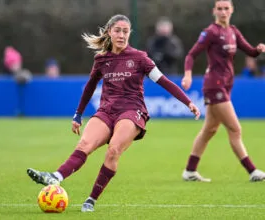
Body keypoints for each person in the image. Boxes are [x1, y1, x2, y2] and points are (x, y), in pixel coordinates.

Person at [27, 14, 200, 212]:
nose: (121, 35)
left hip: (132, 110)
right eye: (117, 31)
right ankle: (55, 177)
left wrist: (188, 102)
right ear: (109, 32)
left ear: (129, 34)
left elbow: (164, 81)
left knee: (114, 149)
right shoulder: (101, 59)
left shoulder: (140, 58)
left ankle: (91, 199)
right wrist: (78, 115)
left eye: (125, 31)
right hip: (107, 110)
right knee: (84, 144)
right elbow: (89, 88)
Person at [181, 0, 265, 182]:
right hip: (214, 85)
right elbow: (191, 54)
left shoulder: (233, 31)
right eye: (219, 8)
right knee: (235, 129)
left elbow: (250, 51)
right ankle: (252, 171)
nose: (223, 12)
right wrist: (188, 75)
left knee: (209, 130)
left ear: (232, 10)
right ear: (214, 11)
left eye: (226, 8)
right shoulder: (210, 32)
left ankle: (189, 171)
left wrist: (258, 50)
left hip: (226, 85)